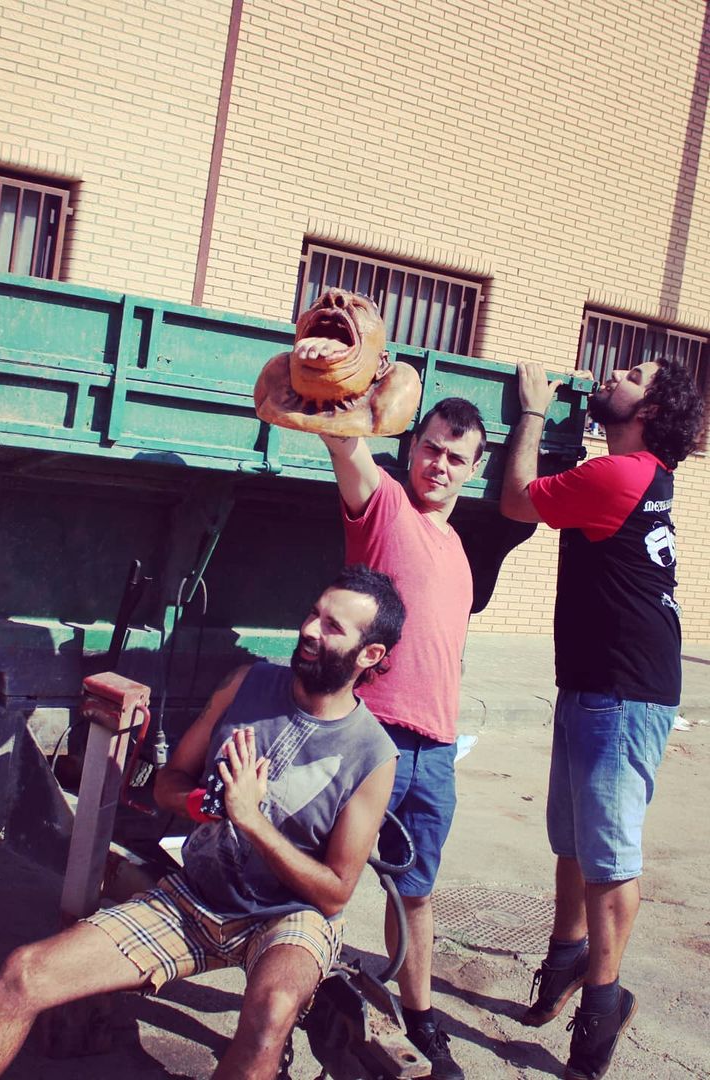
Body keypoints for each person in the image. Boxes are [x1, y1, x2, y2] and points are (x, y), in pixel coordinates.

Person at [0, 564, 404, 1080]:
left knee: (269, 1020)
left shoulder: (372, 754)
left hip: (290, 916)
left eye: (333, 626)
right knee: (23, 975)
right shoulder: (246, 684)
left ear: (369, 655)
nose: (310, 630)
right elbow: (168, 783)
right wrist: (206, 804)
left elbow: (334, 893)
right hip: (194, 896)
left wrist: (251, 820)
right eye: (313, 614)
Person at [500, 358, 703, 1080]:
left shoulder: (620, 474)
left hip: (622, 688)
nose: (613, 372)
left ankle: (604, 1001)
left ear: (651, 410)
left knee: (609, 857)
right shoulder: (637, 473)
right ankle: (566, 956)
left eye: (633, 373)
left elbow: (516, 501)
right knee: (575, 841)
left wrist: (532, 410)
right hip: (596, 681)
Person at [321, 395, 487, 1080]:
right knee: (322, 881)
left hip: (436, 748)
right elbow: (345, 445)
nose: (439, 465)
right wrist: (343, 394)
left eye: (456, 458)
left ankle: (421, 1020)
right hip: (373, 736)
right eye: (431, 449)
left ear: (474, 469)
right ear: (413, 447)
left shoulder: (459, 550)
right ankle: (282, 1003)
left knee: (415, 892)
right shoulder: (386, 506)